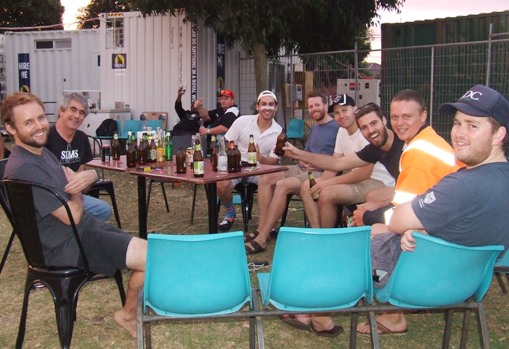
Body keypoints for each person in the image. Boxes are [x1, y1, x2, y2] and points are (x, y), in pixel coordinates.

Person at [357, 84, 509, 335]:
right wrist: (425, 231)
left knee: (361, 244)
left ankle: (310, 310)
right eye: (458, 123)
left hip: (423, 283)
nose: (459, 133)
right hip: (468, 281)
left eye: (472, 125)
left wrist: (413, 225)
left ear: (498, 135)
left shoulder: (460, 185)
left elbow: (397, 219)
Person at [1, 92, 146, 338]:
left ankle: (128, 313)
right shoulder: (25, 168)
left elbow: (74, 177)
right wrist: (78, 191)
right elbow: (73, 215)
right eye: (28, 122)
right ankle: (128, 315)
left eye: (39, 118)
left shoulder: (39, 152)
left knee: (150, 253)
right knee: (151, 258)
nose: (38, 127)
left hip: (84, 231)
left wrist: (87, 178)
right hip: (67, 246)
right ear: (10, 128)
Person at [244, 92, 339, 255]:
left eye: (317, 105)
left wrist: (312, 161)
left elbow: (338, 159)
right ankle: (262, 229)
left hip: (320, 173)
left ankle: (262, 239)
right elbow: (306, 152)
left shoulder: (337, 128)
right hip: (303, 168)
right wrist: (297, 157)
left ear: (325, 105)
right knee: (266, 176)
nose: (314, 109)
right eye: (310, 106)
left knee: (282, 185)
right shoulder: (315, 128)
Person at [353, 89, 461, 229]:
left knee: (374, 231)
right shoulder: (428, 137)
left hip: (449, 226)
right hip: (446, 214)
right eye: (395, 117)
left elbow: (406, 214)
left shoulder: (418, 151)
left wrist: (366, 217)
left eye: (407, 116)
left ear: (423, 116)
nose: (399, 123)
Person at [299, 96, 395, 229]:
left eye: (345, 110)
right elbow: (335, 163)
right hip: (359, 181)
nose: (341, 116)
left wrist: (326, 184)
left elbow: (364, 174)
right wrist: (321, 182)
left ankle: (326, 237)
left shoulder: (366, 134)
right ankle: (317, 232)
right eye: (337, 113)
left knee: (327, 193)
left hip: (377, 181)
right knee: (308, 186)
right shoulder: (342, 131)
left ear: (354, 110)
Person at [216, 90, 282, 231]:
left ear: (276, 108)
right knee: (221, 184)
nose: (267, 108)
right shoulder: (242, 121)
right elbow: (227, 141)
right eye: (263, 104)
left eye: (271, 104)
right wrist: (234, 153)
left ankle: (267, 223)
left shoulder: (278, 131)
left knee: (273, 184)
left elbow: (274, 161)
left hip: (260, 170)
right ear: (257, 107)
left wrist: (261, 158)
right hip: (238, 166)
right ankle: (230, 212)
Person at [45, 92, 112, 221]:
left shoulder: (82, 138)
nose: (77, 116)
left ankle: (80, 234)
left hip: (74, 195)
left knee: (104, 209)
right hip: (52, 196)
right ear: (62, 111)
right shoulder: (47, 137)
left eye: (81, 113)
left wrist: (89, 178)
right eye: (73, 110)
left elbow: (81, 178)